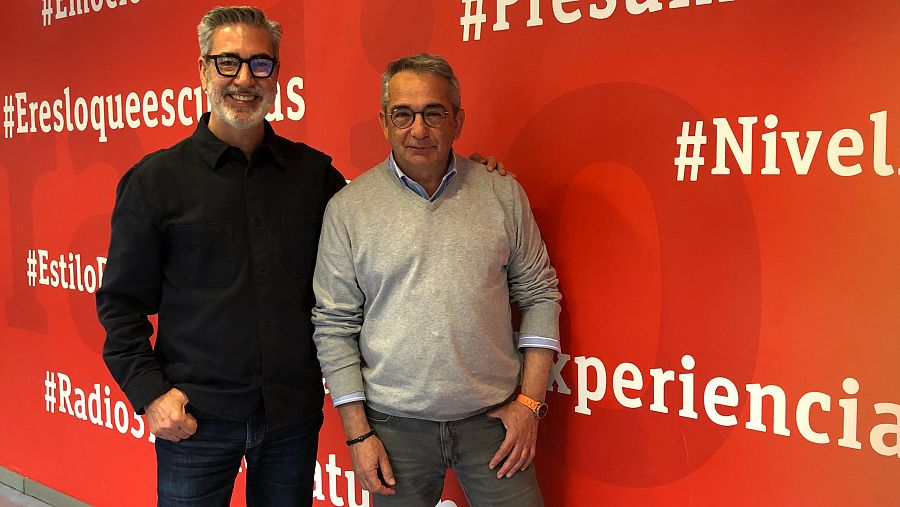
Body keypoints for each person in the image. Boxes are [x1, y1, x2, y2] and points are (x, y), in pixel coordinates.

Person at [97, 8, 504, 506]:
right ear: (203, 70)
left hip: (290, 421)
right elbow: (120, 306)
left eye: (260, 64)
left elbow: (386, 209)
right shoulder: (155, 182)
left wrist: (465, 176)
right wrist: (150, 394)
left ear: (276, 75)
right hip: (195, 419)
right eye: (228, 62)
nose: (244, 79)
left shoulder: (313, 176)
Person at [312, 53, 562, 507]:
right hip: (394, 431)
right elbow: (334, 327)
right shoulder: (348, 210)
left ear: (457, 121)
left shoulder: (501, 193)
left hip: (494, 425)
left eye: (434, 113)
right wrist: (358, 435)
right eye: (402, 114)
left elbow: (540, 294)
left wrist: (529, 404)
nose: (419, 130)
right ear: (384, 122)